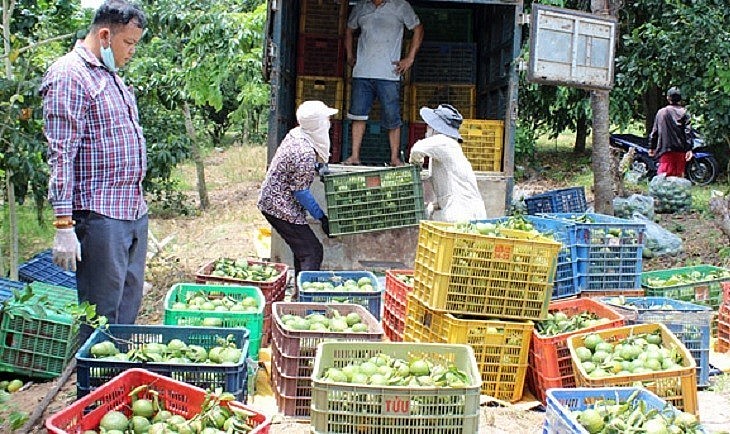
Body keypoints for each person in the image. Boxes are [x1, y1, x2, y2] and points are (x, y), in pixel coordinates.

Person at [41, 0, 148, 342]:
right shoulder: (69, 74)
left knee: (127, 307)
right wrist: (63, 224)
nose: (132, 52)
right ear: (104, 35)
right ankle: (98, 387)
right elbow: (61, 153)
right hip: (100, 215)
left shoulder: (109, 75)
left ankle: (121, 375)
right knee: (102, 313)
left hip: (131, 210)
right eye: (128, 43)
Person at [258, 100, 337, 278]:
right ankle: (304, 298)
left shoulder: (297, 134)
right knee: (312, 252)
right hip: (279, 206)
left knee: (303, 249)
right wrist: (321, 217)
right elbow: (300, 192)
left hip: (275, 199)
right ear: (318, 125)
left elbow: (294, 168)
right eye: (326, 120)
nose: (329, 124)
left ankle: (299, 294)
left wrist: (317, 166)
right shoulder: (304, 152)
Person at [342, 0, 424, 167]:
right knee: (358, 116)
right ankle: (354, 156)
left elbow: (418, 29)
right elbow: (349, 30)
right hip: (362, 73)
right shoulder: (361, 7)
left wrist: (410, 58)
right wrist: (350, 55)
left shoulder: (401, 6)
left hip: (389, 74)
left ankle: (395, 158)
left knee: (393, 117)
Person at [409, 104, 487, 222]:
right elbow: (447, 192)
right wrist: (432, 207)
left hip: (464, 213)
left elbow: (417, 149)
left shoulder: (444, 142)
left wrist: (416, 165)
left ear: (436, 128)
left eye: (429, 126)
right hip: (464, 212)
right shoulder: (442, 152)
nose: (427, 129)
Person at [648, 87, 693, 177]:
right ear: (680, 98)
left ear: (668, 98)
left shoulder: (661, 113)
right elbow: (688, 132)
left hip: (665, 150)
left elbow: (654, 132)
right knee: (679, 176)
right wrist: (689, 149)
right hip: (681, 151)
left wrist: (651, 147)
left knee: (664, 177)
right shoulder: (685, 113)